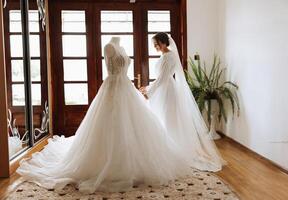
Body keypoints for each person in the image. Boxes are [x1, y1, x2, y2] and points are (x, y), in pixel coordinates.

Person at [17, 37, 191, 194]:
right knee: (112, 124)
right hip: (113, 89)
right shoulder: (109, 46)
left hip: (126, 89)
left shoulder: (120, 46)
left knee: (135, 126)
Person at [140, 33, 225, 172]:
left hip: (166, 90)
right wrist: (150, 88)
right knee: (161, 119)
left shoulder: (170, 56)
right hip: (163, 89)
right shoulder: (164, 56)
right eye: (154, 44)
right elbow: (161, 78)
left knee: (168, 119)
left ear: (162, 43)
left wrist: (149, 90)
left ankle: (171, 152)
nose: (154, 47)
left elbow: (162, 78)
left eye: (156, 44)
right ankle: (165, 150)